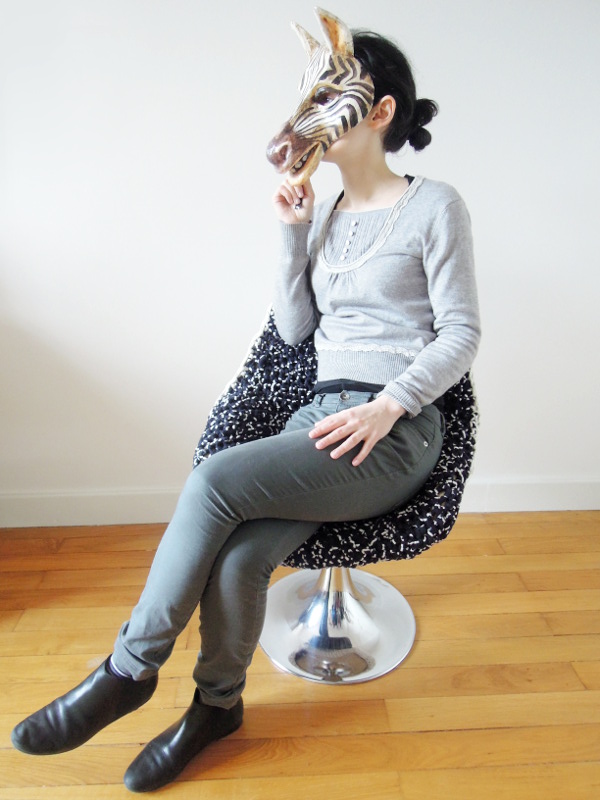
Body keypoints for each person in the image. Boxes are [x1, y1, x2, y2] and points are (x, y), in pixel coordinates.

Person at [11, 23, 480, 794]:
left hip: (392, 433)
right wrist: (292, 233)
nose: (310, 115)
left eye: (332, 97)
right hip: (318, 419)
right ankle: (216, 708)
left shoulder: (435, 205)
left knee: (212, 482)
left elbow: (462, 332)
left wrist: (390, 406)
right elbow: (296, 331)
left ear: (380, 111)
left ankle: (127, 669)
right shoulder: (326, 214)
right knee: (238, 559)